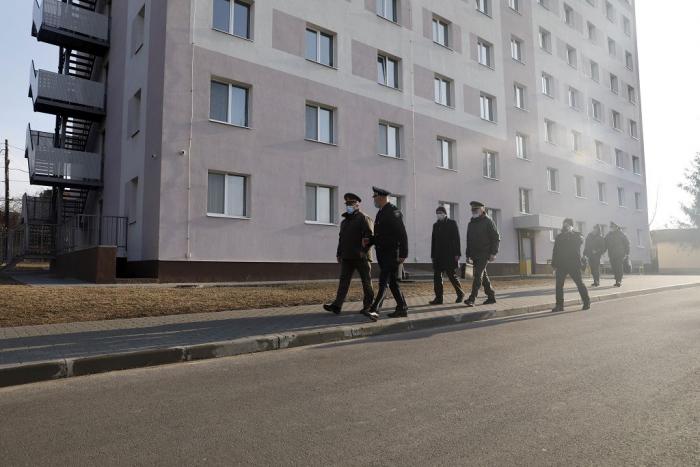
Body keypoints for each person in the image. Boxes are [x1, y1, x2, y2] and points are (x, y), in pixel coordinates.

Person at [323, 193, 374, 315]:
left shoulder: (364, 218)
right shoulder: (344, 222)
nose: (349, 206)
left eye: (351, 204)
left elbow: (370, 237)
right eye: (347, 204)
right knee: (343, 282)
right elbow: (341, 239)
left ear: (357, 205)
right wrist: (339, 253)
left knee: (366, 282)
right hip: (347, 256)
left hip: (361, 257)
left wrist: (364, 251)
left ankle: (368, 306)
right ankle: (337, 305)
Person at [365, 186, 408, 321]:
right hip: (382, 253)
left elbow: (402, 233)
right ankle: (402, 308)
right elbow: (381, 235)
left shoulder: (393, 211)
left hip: (391, 253)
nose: (374, 200)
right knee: (393, 282)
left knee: (383, 281)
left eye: (375, 197)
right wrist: (370, 241)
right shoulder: (381, 212)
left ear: (382, 197)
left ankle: (375, 309)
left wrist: (403, 253)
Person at [464, 201, 500, 307]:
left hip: (484, 253)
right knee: (483, 276)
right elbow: (468, 240)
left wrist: (493, 253)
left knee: (477, 275)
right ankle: (491, 296)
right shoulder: (471, 223)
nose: (474, 211)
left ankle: (472, 298)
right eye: (472, 210)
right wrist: (468, 255)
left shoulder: (488, 221)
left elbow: (496, 238)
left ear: (482, 209)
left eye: (476, 209)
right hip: (474, 254)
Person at [551, 218, 591, 312]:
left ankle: (586, 302)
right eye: (564, 224)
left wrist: (571, 232)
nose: (565, 226)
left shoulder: (577, 235)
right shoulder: (559, 237)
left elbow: (580, 241)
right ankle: (559, 305)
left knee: (579, 283)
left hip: (573, 264)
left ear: (571, 226)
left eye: (568, 225)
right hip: (561, 264)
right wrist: (554, 265)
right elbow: (555, 251)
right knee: (559, 285)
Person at [429, 206, 465, 305]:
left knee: (451, 275)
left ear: (445, 213)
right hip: (438, 255)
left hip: (449, 254)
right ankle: (438, 298)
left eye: (440, 212)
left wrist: (457, 253)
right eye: (437, 213)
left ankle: (460, 294)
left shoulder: (451, 223)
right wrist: (432, 255)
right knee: (437, 277)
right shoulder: (435, 225)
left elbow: (456, 239)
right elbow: (433, 241)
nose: (438, 214)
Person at [605, 222, 630, 287]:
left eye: (613, 226)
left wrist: (627, 253)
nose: (611, 228)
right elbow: (605, 244)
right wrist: (601, 251)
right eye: (611, 227)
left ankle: (619, 280)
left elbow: (627, 244)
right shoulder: (608, 235)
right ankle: (617, 280)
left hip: (620, 254)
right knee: (614, 268)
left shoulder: (621, 234)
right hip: (611, 254)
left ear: (616, 227)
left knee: (619, 267)